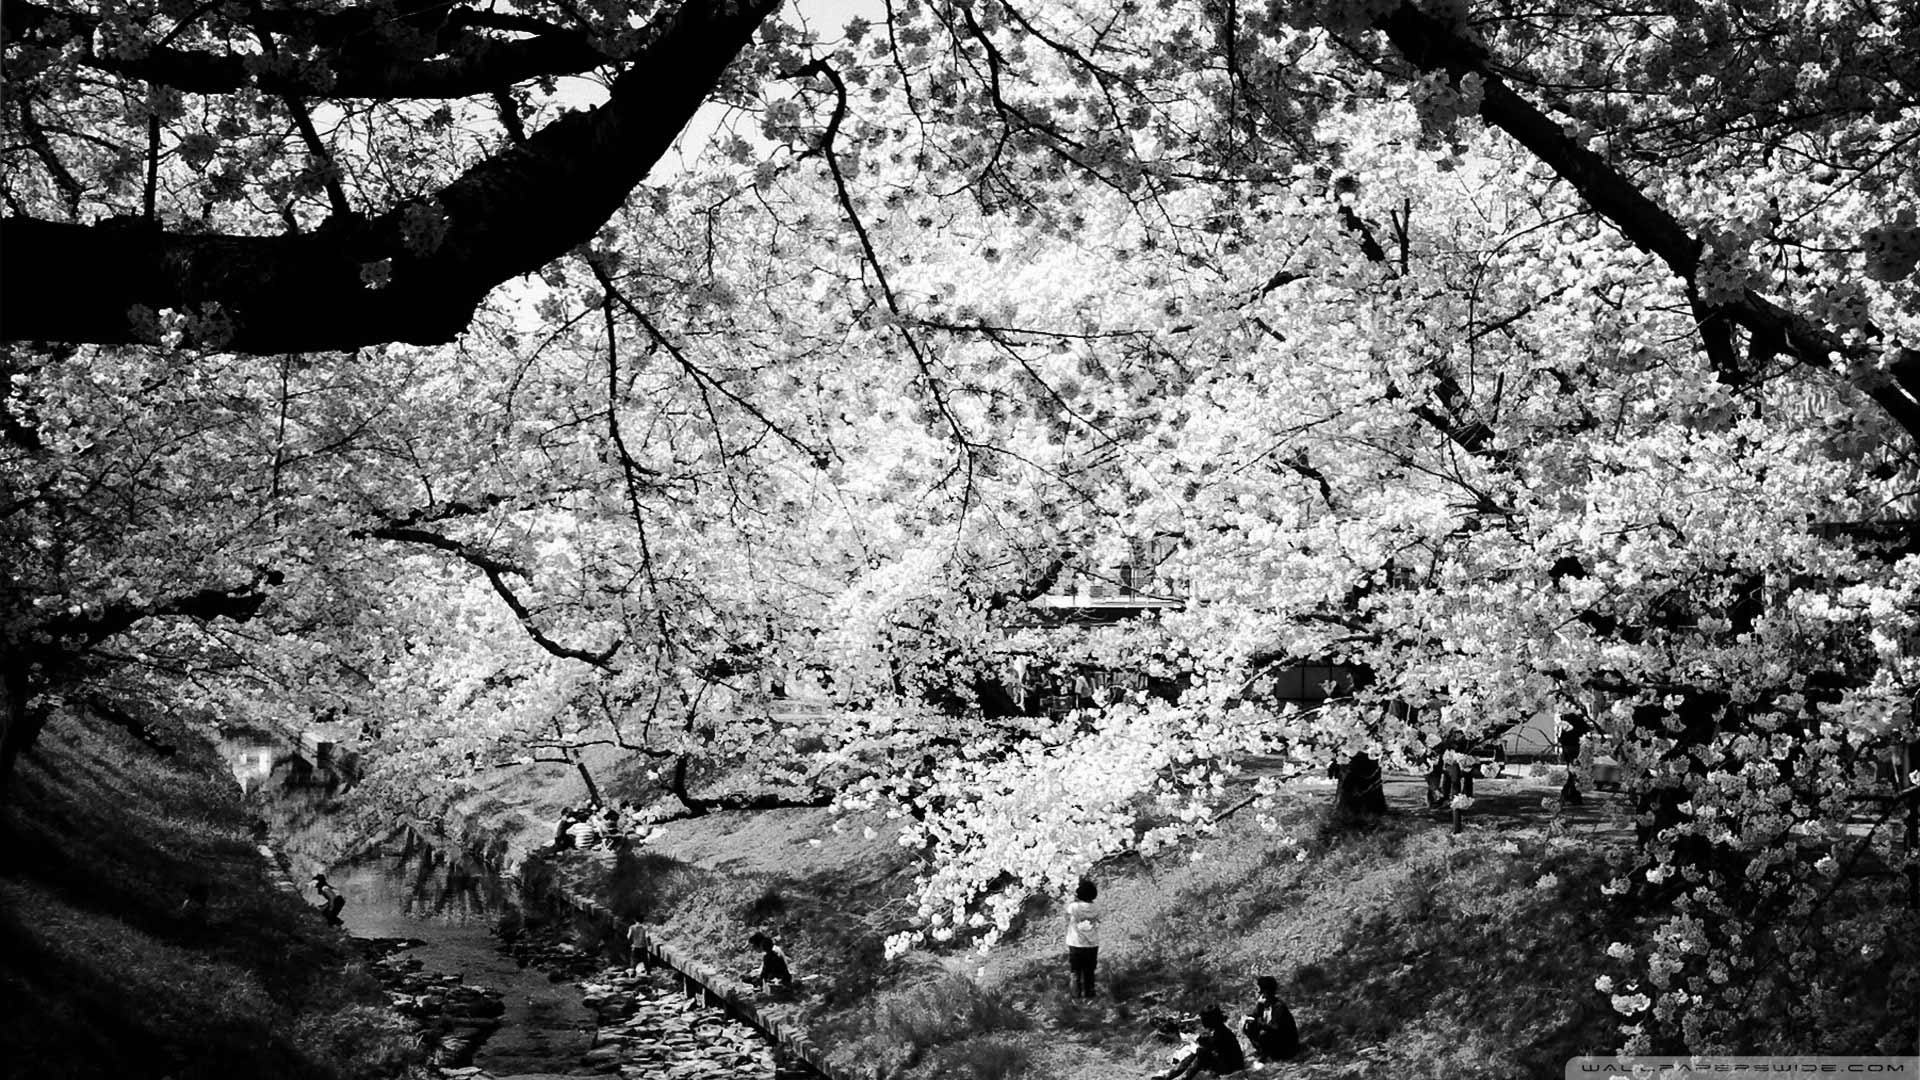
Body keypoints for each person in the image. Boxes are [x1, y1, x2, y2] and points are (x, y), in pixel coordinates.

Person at [1156, 1004, 1246, 1078]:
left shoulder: (1220, 1034)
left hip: (1231, 1067)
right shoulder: (1220, 1029)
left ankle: (1177, 1076)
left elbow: (1207, 1047)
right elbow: (1209, 1043)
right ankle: (1173, 1075)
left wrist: (1196, 1042)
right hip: (1232, 1064)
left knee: (1200, 1054)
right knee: (1199, 1053)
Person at [1240, 975, 1298, 1061]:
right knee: (1248, 1025)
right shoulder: (1263, 1003)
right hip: (1274, 1039)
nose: (1257, 991)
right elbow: (1255, 1015)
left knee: (1262, 1032)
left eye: (1258, 989)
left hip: (1286, 1043)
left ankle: (1272, 1055)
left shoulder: (1279, 1006)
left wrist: (1259, 1023)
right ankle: (1262, 1051)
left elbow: (1275, 1028)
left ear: (1265, 991)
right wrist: (1247, 1018)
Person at [1064, 875, 1101, 999]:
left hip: (1076, 944)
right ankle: (1090, 995)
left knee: (1075, 971)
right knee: (1089, 971)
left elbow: (1066, 916)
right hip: (1092, 944)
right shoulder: (1096, 907)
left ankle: (1076, 996)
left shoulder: (1074, 907)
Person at [748, 931, 791, 995]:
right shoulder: (773, 950)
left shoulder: (770, 954)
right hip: (780, 977)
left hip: (779, 980)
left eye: (754, 946)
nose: (753, 948)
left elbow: (765, 972)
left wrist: (757, 977)